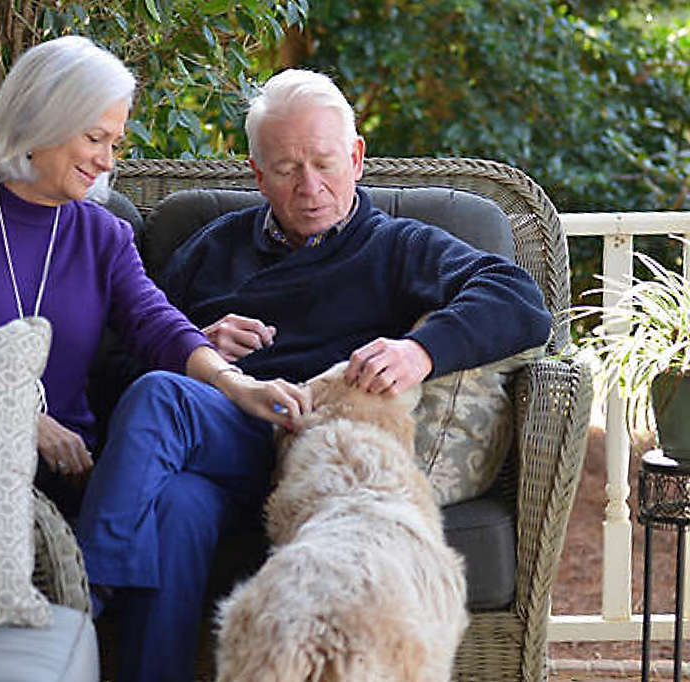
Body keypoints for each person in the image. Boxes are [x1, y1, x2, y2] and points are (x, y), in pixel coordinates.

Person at [75, 68, 552, 682]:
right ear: (256, 174)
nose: (310, 187)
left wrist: (419, 352)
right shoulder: (211, 249)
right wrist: (199, 346)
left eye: (325, 163)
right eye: (286, 169)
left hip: (320, 451)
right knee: (168, 440)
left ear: (356, 158)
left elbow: (518, 299)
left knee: (171, 466)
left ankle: (83, 595)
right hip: (232, 441)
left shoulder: (398, 246)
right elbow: (115, 363)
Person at [0, 35, 308, 521]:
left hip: (72, 475)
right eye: (94, 138)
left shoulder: (102, 234)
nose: (107, 161)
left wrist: (237, 385)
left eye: (114, 143)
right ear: (42, 120)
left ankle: (96, 587)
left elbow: (156, 322)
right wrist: (21, 421)